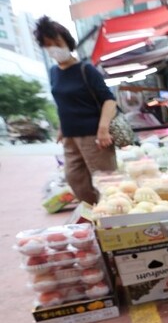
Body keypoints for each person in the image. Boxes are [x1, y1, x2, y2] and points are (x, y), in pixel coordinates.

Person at [34, 16, 117, 205]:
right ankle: (97, 210)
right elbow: (63, 102)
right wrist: (62, 128)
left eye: (57, 42)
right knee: (74, 178)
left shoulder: (86, 70)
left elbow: (109, 100)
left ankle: (111, 217)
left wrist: (103, 129)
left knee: (106, 182)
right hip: (70, 139)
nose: (53, 48)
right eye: (48, 45)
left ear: (67, 42)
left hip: (94, 137)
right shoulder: (54, 73)